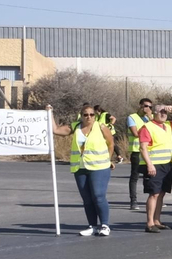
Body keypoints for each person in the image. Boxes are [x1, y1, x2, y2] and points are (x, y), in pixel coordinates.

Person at [51, 104, 114, 237]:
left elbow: (111, 143)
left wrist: (108, 159)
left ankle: (105, 225)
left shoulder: (101, 127)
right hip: (80, 167)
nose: (89, 117)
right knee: (87, 198)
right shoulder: (75, 126)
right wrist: (49, 113)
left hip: (100, 167)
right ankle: (92, 225)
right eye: (86, 114)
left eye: (91, 114)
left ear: (95, 116)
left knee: (98, 195)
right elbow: (55, 130)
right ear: (81, 115)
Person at [136, 103, 172, 233]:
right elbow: (143, 147)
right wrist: (149, 164)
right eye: (161, 112)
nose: (163, 114)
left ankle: (157, 220)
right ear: (154, 113)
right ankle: (149, 223)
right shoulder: (147, 127)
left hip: (167, 164)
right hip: (154, 165)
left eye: (165, 112)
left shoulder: (168, 125)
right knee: (154, 193)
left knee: (161, 193)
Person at [125, 98, 153, 210]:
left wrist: (151, 119)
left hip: (148, 151)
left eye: (150, 107)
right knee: (135, 176)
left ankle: (153, 198)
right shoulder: (132, 117)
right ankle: (133, 201)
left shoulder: (149, 119)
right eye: (146, 106)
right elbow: (135, 133)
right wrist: (147, 127)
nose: (148, 109)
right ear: (140, 105)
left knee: (150, 176)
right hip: (137, 150)